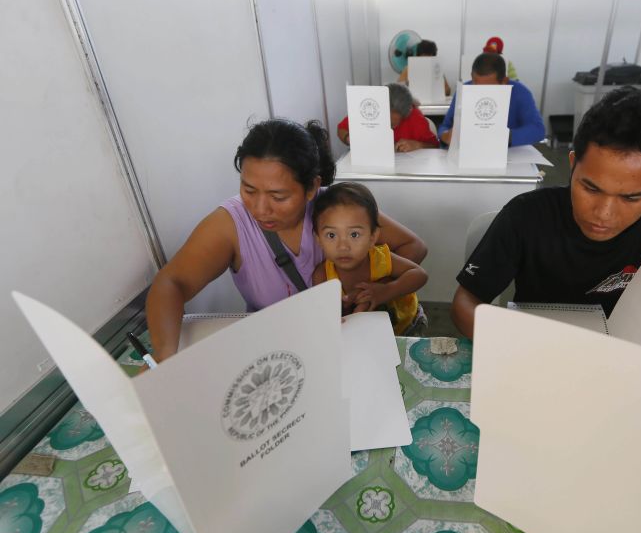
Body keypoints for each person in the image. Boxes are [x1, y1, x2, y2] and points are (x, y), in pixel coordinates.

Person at [450, 87, 641, 346]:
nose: (603, 215)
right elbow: (466, 302)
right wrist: (521, 344)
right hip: (538, 348)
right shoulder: (526, 215)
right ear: (572, 164)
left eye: (631, 197)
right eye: (590, 188)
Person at [145, 119, 427, 362]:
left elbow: (412, 246)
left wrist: (373, 290)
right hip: (276, 348)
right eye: (249, 190)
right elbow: (171, 283)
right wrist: (165, 356)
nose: (260, 209)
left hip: (351, 343)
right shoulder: (231, 223)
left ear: (312, 188)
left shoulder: (337, 211)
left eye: (278, 196)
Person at [312, 182, 428, 334]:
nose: (343, 246)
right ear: (318, 239)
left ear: (373, 237)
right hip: (365, 337)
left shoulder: (380, 258)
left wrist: (387, 290)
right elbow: (324, 313)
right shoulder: (322, 276)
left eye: (354, 234)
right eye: (331, 235)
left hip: (406, 328)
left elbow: (419, 275)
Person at [438, 53, 545, 147]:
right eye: (476, 85)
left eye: (489, 88)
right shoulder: (464, 91)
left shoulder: (520, 93)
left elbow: (538, 130)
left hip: (510, 155)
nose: (482, 92)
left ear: (504, 81)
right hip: (471, 153)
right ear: (471, 76)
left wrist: (504, 136)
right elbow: (445, 126)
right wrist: (446, 135)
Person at [337, 82, 438, 152]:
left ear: (405, 115)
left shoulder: (416, 119)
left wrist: (417, 145)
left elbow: (435, 146)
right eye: (386, 116)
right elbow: (341, 129)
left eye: (393, 122)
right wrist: (350, 139)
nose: (390, 122)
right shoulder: (371, 109)